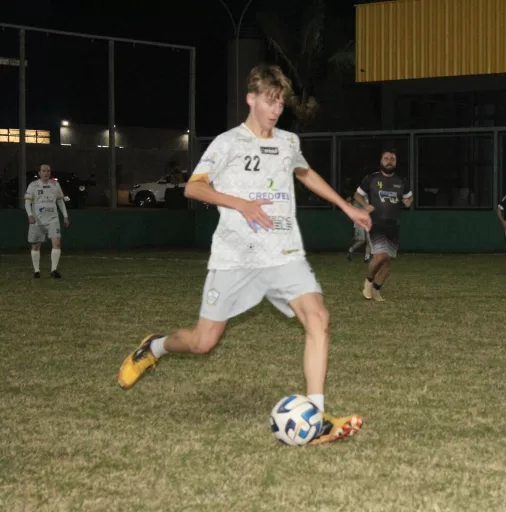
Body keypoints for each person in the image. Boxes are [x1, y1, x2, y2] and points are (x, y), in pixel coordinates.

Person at [117, 64, 371, 445]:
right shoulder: (228, 143)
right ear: (251, 99)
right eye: (269, 101)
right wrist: (242, 204)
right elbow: (194, 188)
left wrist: (347, 206)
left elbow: (305, 174)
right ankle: (154, 346)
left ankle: (316, 418)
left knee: (318, 318)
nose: (275, 110)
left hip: (284, 254)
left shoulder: (288, 143)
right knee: (204, 342)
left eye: (280, 103)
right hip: (236, 258)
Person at [354, 150, 413, 301]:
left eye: (392, 159)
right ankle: (368, 282)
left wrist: (408, 202)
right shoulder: (371, 179)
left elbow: (409, 198)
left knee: (387, 263)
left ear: (396, 162)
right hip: (376, 223)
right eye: (386, 158)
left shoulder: (402, 181)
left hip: (394, 225)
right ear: (381, 161)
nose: (389, 161)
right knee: (380, 256)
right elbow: (357, 195)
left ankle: (376, 290)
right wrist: (365, 206)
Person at [25, 163, 70, 279]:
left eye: (48, 171)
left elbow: (60, 201)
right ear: (39, 172)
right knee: (35, 246)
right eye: (44, 171)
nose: (46, 173)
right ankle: (37, 271)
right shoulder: (33, 185)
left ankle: (54, 270)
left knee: (57, 243)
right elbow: (27, 202)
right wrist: (30, 215)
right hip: (37, 220)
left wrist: (65, 216)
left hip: (53, 219)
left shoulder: (55, 184)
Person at [345, 195, 372, 263]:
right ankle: (350, 251)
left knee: (369, 240)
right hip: (359, 221)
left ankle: (367, 258)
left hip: (367, 221)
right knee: (362, 240)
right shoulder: (359, 198)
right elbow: (353, 208)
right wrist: (349, 202)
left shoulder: (372, 198)